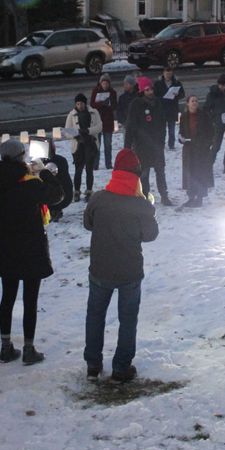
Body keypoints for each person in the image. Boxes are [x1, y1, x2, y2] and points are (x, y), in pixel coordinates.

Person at [82, 148, 159, 382]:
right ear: (136, 174)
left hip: (100, 268)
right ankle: (121, 367)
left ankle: (93, 365)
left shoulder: (99, 198)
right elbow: (150, 235)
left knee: (95, 315)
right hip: (129, 271)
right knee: (127, 319)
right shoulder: (140, 204)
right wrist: (149, 208)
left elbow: (88, 224)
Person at [0, 138, 65, 365]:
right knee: (29, 300)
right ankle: (29, 348)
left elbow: (12, 177)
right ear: (22, 156)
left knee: (7, 297)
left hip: (7, 245)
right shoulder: (30, 184)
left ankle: (5, 347)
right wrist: (45, 173)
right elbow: (57, 195)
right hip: (31, 246)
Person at [126, 77, 171, 203]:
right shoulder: (136, 104)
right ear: (142, 91)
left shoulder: (158, 103)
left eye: (151, 89)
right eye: (147, 90)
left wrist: (162, 141)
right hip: (142, 147)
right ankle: (144, 196)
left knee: (160, 171)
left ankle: (164, 195)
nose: (150, 92)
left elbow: (163, 123)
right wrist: (127, 147)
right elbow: (130, 127)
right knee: (144, 173)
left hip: (156, 145)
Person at [178, 95, 214, 208]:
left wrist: (207, 143)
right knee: (190, 173)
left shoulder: (204, 115)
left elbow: (211, 132)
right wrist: (181, 138)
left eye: (196, 101)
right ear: (187, 103)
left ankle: (200, 198)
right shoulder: (184, 116)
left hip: (201, 149)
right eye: (192, 101)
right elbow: (181, 132)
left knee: (201, 172)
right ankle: (191, 196)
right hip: (189, 149)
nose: (195, 103)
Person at [66, 93, 103, 202]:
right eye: (77, 104)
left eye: (81, 103)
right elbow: (67, 130)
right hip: (78, 146)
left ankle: (89, 191)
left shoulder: (94, 112)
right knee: (78, 170)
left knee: (89, 170)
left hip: (90, 145)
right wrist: (76, 134)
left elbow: (99, 126)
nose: (80, 106)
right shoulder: (71, 115)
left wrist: (88, 131)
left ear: (85, 103)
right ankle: (76, 191)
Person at [90, 74, 118, 170]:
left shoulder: (112, 92)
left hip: (108, 122)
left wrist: (109, 104)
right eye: (103, 83)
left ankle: (108, 164)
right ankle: (95, 164)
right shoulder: (96, 91)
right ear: (100, 83)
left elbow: (114, 106)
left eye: (106, 83)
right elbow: (92, 104)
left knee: (108, 145)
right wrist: (101, 103)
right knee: (97, 145)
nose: (105, 85)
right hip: (98, 121)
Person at [154, 67, 184, 151]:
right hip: (162, 109)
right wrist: (162, 98)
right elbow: (155, 95)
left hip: (172, 108)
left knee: (172, 129)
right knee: (161, 129)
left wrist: (177, 94)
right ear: (163, 73)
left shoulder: (176, 83)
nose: (168, 76)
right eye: (167, 74)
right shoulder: (158, 83)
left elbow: (182, 94)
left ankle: (171, 144)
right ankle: (161, 143)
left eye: (170, 74)